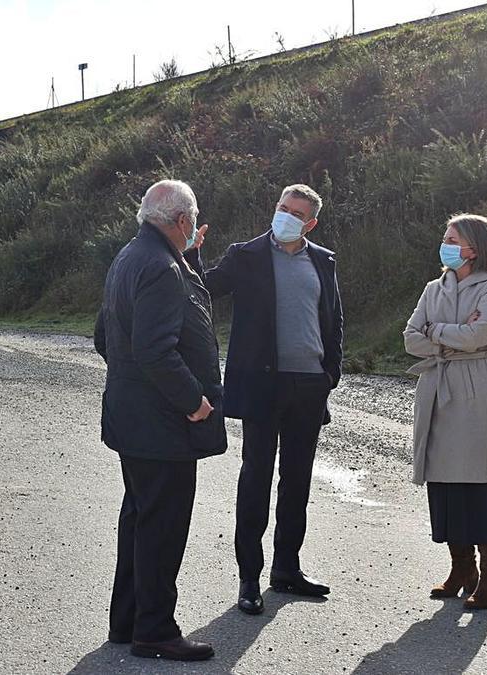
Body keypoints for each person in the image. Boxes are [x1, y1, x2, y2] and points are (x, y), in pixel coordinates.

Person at [185, 183, 343, 614]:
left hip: (309, 385)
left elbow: (333, 319)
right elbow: (204, 288)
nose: (285, 215)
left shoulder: (322, 260)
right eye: (281, 207)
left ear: (310, 222)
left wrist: (331, 372)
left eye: (296, 212)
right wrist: (190, 252)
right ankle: (249, 577)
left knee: (298, 481)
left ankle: (287, 569)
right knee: (255, 478)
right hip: (261, 384)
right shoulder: (246, 255)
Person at [94, 179, 227, 661]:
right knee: (162, 526)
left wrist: (189, 259)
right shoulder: (160, 268)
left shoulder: (132, 256)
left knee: (140, 519)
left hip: (135, 421)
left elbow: (105, 338)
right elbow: (155, 349)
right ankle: (154, 629)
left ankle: (128, 621)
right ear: (182, 221)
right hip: (162, 426)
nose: (195, 228)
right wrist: (193, 401)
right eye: (193, 220)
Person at [402, 213, 487, 610]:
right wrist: (451, 337)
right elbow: (411, 337)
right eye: (444, 236)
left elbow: (481, 335)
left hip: (473, 383)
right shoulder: (434, 288)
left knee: (474, 477)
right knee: (441, 477)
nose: (444, 243)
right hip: (436, 381)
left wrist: (436, 332)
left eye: (452, 238)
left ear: (474, 248)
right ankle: (461, 567)